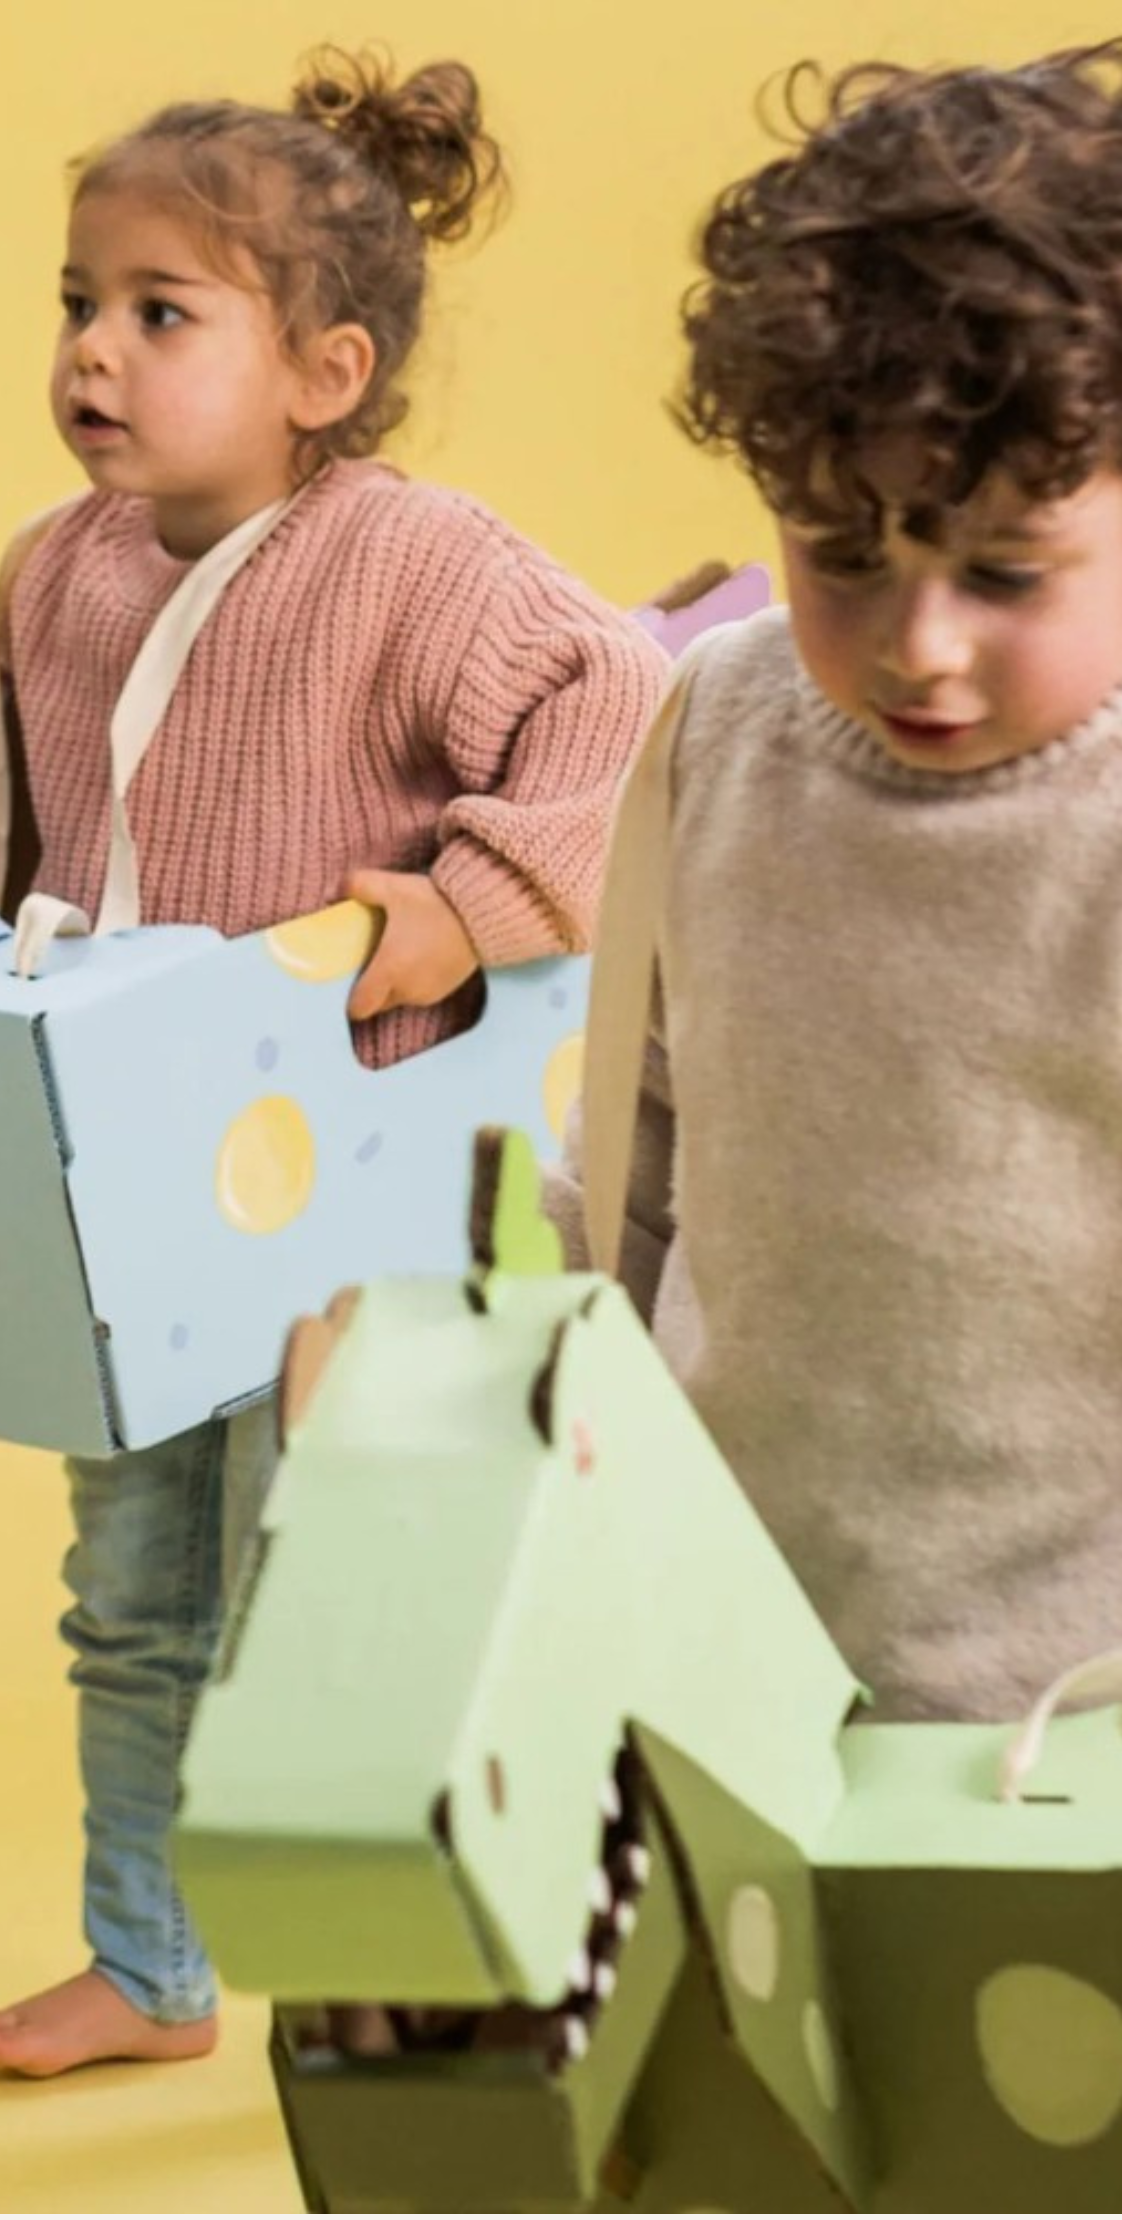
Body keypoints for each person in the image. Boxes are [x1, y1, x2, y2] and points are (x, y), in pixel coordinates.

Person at [0, 46, 665, 2077]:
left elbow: (621, 713)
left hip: (345, 1184)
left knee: (334, 1576)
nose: (93, 350)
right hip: (126, 1183)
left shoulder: (413, 566)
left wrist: (455, 906)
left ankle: (467, 1954)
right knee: (132, 1589)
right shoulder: (55, 569)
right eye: (76, 303)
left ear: (322, 373)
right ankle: (151, 1963)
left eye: (159, 313)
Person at [548, 42, 1122, 1733]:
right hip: (728, 1662)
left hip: (1079, 1725)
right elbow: (637, 1127)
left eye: (1004, 573)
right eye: (844, 555)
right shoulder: (719, 722)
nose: (919, 644)